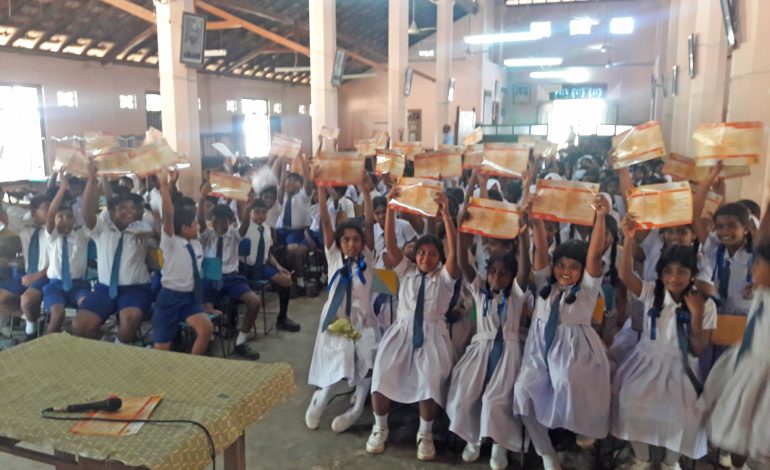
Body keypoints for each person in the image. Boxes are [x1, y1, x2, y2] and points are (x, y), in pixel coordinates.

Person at [513, 195, 611, 470]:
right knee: (522, 392)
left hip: (575, 347)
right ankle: (546, 453)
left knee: (567, 380)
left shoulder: (588, 289)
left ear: (583, 271)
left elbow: (594, 254)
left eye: (573, 267)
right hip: (539, 347)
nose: (565, 271)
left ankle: (584, 427)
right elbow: (541, 249)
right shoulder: (547, 283)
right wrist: (537, 218)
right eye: (561, 265)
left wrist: (601, 217)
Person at [613, 215, 716, 469]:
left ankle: (671, 461)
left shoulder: (704, 303)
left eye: (682, 272)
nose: (674, 278)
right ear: (659, 274)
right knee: (629, 402)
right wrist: (628, 238)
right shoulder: (651, 291)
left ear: (693, 274)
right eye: (668, 271)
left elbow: (698, 348)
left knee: (687, 414)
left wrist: (697, 315)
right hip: (646, 360)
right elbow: (626, 274)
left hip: (682, 366)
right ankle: (643, 458)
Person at [366, 190, 460, 461]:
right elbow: (392, 244)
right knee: (383, 369)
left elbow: (454, 252)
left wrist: (447, 218)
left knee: (430, 377)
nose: (425, 259)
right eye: (421, 253)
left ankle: (425, 434)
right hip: (402, 331)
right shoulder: (405, 271)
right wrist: (392, 209)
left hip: (433, 334)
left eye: (432, 255)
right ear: (415, 255)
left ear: (439, 259)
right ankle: (379, 427)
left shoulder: (443, 279)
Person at [446, 218, 531, 470]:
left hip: (508, 352)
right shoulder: (480, 290)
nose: (497, 277)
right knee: (464, 391)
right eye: (493, 272)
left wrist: (524, 238)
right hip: (480, 350)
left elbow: (525, 268)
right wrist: (461, 233)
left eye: (504, 273)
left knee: (497, 400)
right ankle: (473, 438)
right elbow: (463, 263)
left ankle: (499, 443)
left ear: (512, 277)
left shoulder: (516, 295)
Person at [305, 177, 378, 434]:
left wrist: (366, 193)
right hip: (336, 319)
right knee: (340, 356)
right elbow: (325, 220)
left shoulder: (367, 257)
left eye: (356, 239)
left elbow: (369, 223)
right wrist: (319, 188)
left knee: (366, 356)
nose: (351, 244)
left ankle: (357, 406)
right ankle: (323, 396)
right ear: (339, 242)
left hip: (361, 320)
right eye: (345, 239)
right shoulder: (334, 255)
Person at [703, 240, 770, 470]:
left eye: (760, 265)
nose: (753, 270)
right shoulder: (762, 292)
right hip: (748, 367)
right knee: (738, 432)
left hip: (764, 376)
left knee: (760, 436)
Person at [73, 161, 153, 345]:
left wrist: (150, 233)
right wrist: (92, 180)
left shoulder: (141, 227)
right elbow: (87, 213)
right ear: (110, 212)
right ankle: (102, 348)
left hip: (135, 288)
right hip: (104, 288)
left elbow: (154, 234)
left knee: (131, 318)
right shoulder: (102, 229)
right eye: (122, 209)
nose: (129, 212)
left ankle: (118, 351)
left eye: (132, 208)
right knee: (80, 325)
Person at [152, 169, 212, 355]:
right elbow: (169, 215)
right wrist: (164, 185)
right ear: (184, 228)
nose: (199, 226)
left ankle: (191, 365)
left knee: (206, 329)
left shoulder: (195, 243)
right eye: (195, 224)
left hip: (189, 298)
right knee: (163, 349)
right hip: (169, 298)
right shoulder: (170, 242)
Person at [198, 185, 261, 359]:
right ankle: (209, 337)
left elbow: (245, 223)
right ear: (212, 221)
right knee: (204, 304)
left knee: (254, 302)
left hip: (232, 278)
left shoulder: (234, 235)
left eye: (224, 221)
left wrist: (248, 207)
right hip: (210, 277)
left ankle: (240, 341)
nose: (220, 225)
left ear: (230, 220)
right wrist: (202, 198)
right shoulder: (207, 235)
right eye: (216, 221)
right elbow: (201, 221)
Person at [42, 173, 91, 334]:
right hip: (55, 285)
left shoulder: (81, 236)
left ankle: (77, 342)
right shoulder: (53, 237)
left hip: (78, 285)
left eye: (69, 217)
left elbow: (89, 210)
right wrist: (62, 188)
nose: (65, 220)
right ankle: (47, 347)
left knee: (88, 310)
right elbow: (49, 216)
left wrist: (91, 181)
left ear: (74, 220)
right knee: (57, 314)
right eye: (60, 217)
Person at [240, 199, 299, 332]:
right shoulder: (245, 226)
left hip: (261, 267)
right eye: (257, 212)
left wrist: (278, 266)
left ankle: (282, 319)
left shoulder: (266, 229)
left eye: (264, 212)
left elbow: (269, 253)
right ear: (250, 213)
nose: (261, 216)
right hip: (245, 269)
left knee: (287, 280)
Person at [0, 193, 50, 340]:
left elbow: (58, 264)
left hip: (45, 275)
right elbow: (4, 220)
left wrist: (36, 276)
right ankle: (30, 320)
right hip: (26, 274)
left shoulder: (54, 229)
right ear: (34, 211)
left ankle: (31, 333)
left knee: (27, 300)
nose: (51, 210)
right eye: (46, 208)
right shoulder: (24, 224)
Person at [276, 156, 312, 296]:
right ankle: (281, 280)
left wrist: (303, 161)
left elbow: (308, 181)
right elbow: (281, 186)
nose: (290, 183)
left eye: (294, 181)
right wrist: (284, 167)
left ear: (300, 185)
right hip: (282, 230)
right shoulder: (283, 196)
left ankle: (299, 281)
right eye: (288, 181)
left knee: (293, 250)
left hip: (297, 232)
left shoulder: (304, 196)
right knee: (270, 246)